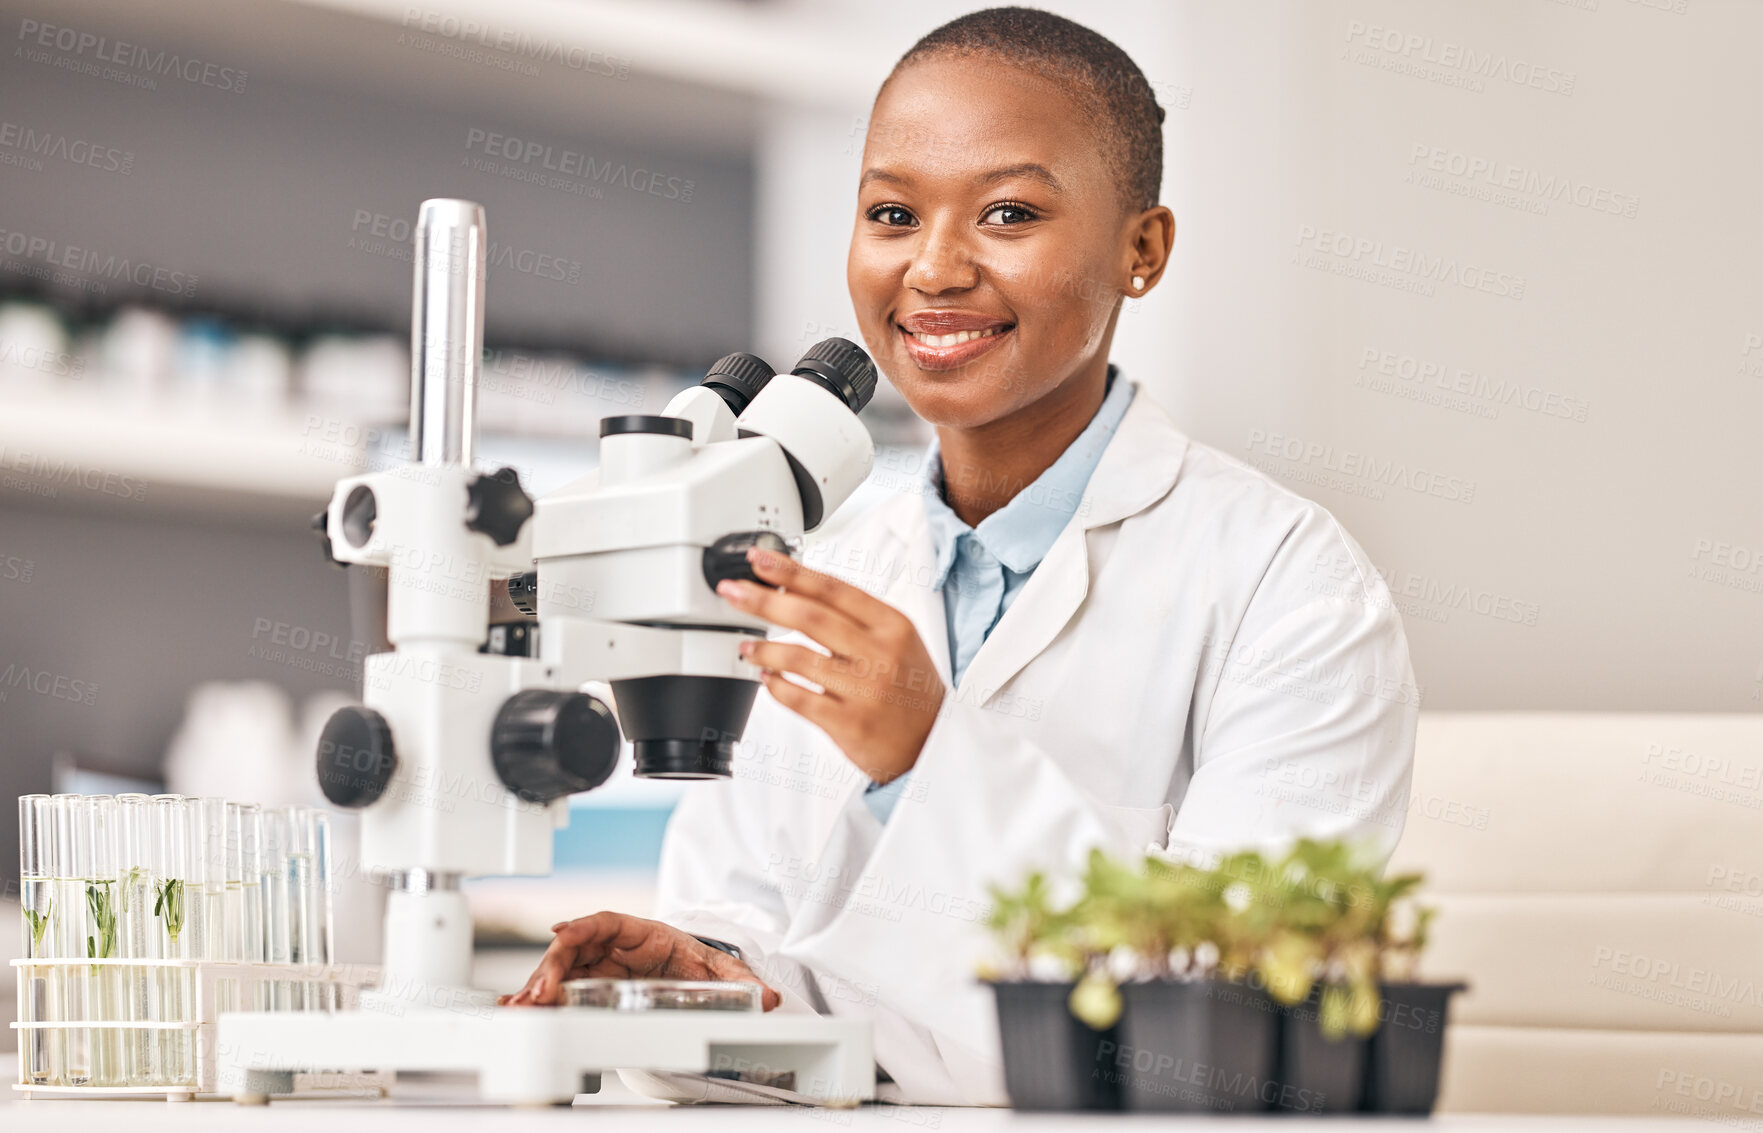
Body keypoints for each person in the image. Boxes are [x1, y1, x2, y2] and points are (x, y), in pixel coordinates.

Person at [502, 7, 1418, 1105]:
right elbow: (771, 933)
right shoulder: (817, 568)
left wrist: (930, 756)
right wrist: (717, 982)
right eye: (891, 212)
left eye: (1007, 212)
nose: (932, 268)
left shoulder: (1293, 589)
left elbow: (1224, 1033)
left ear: (1142, 249)